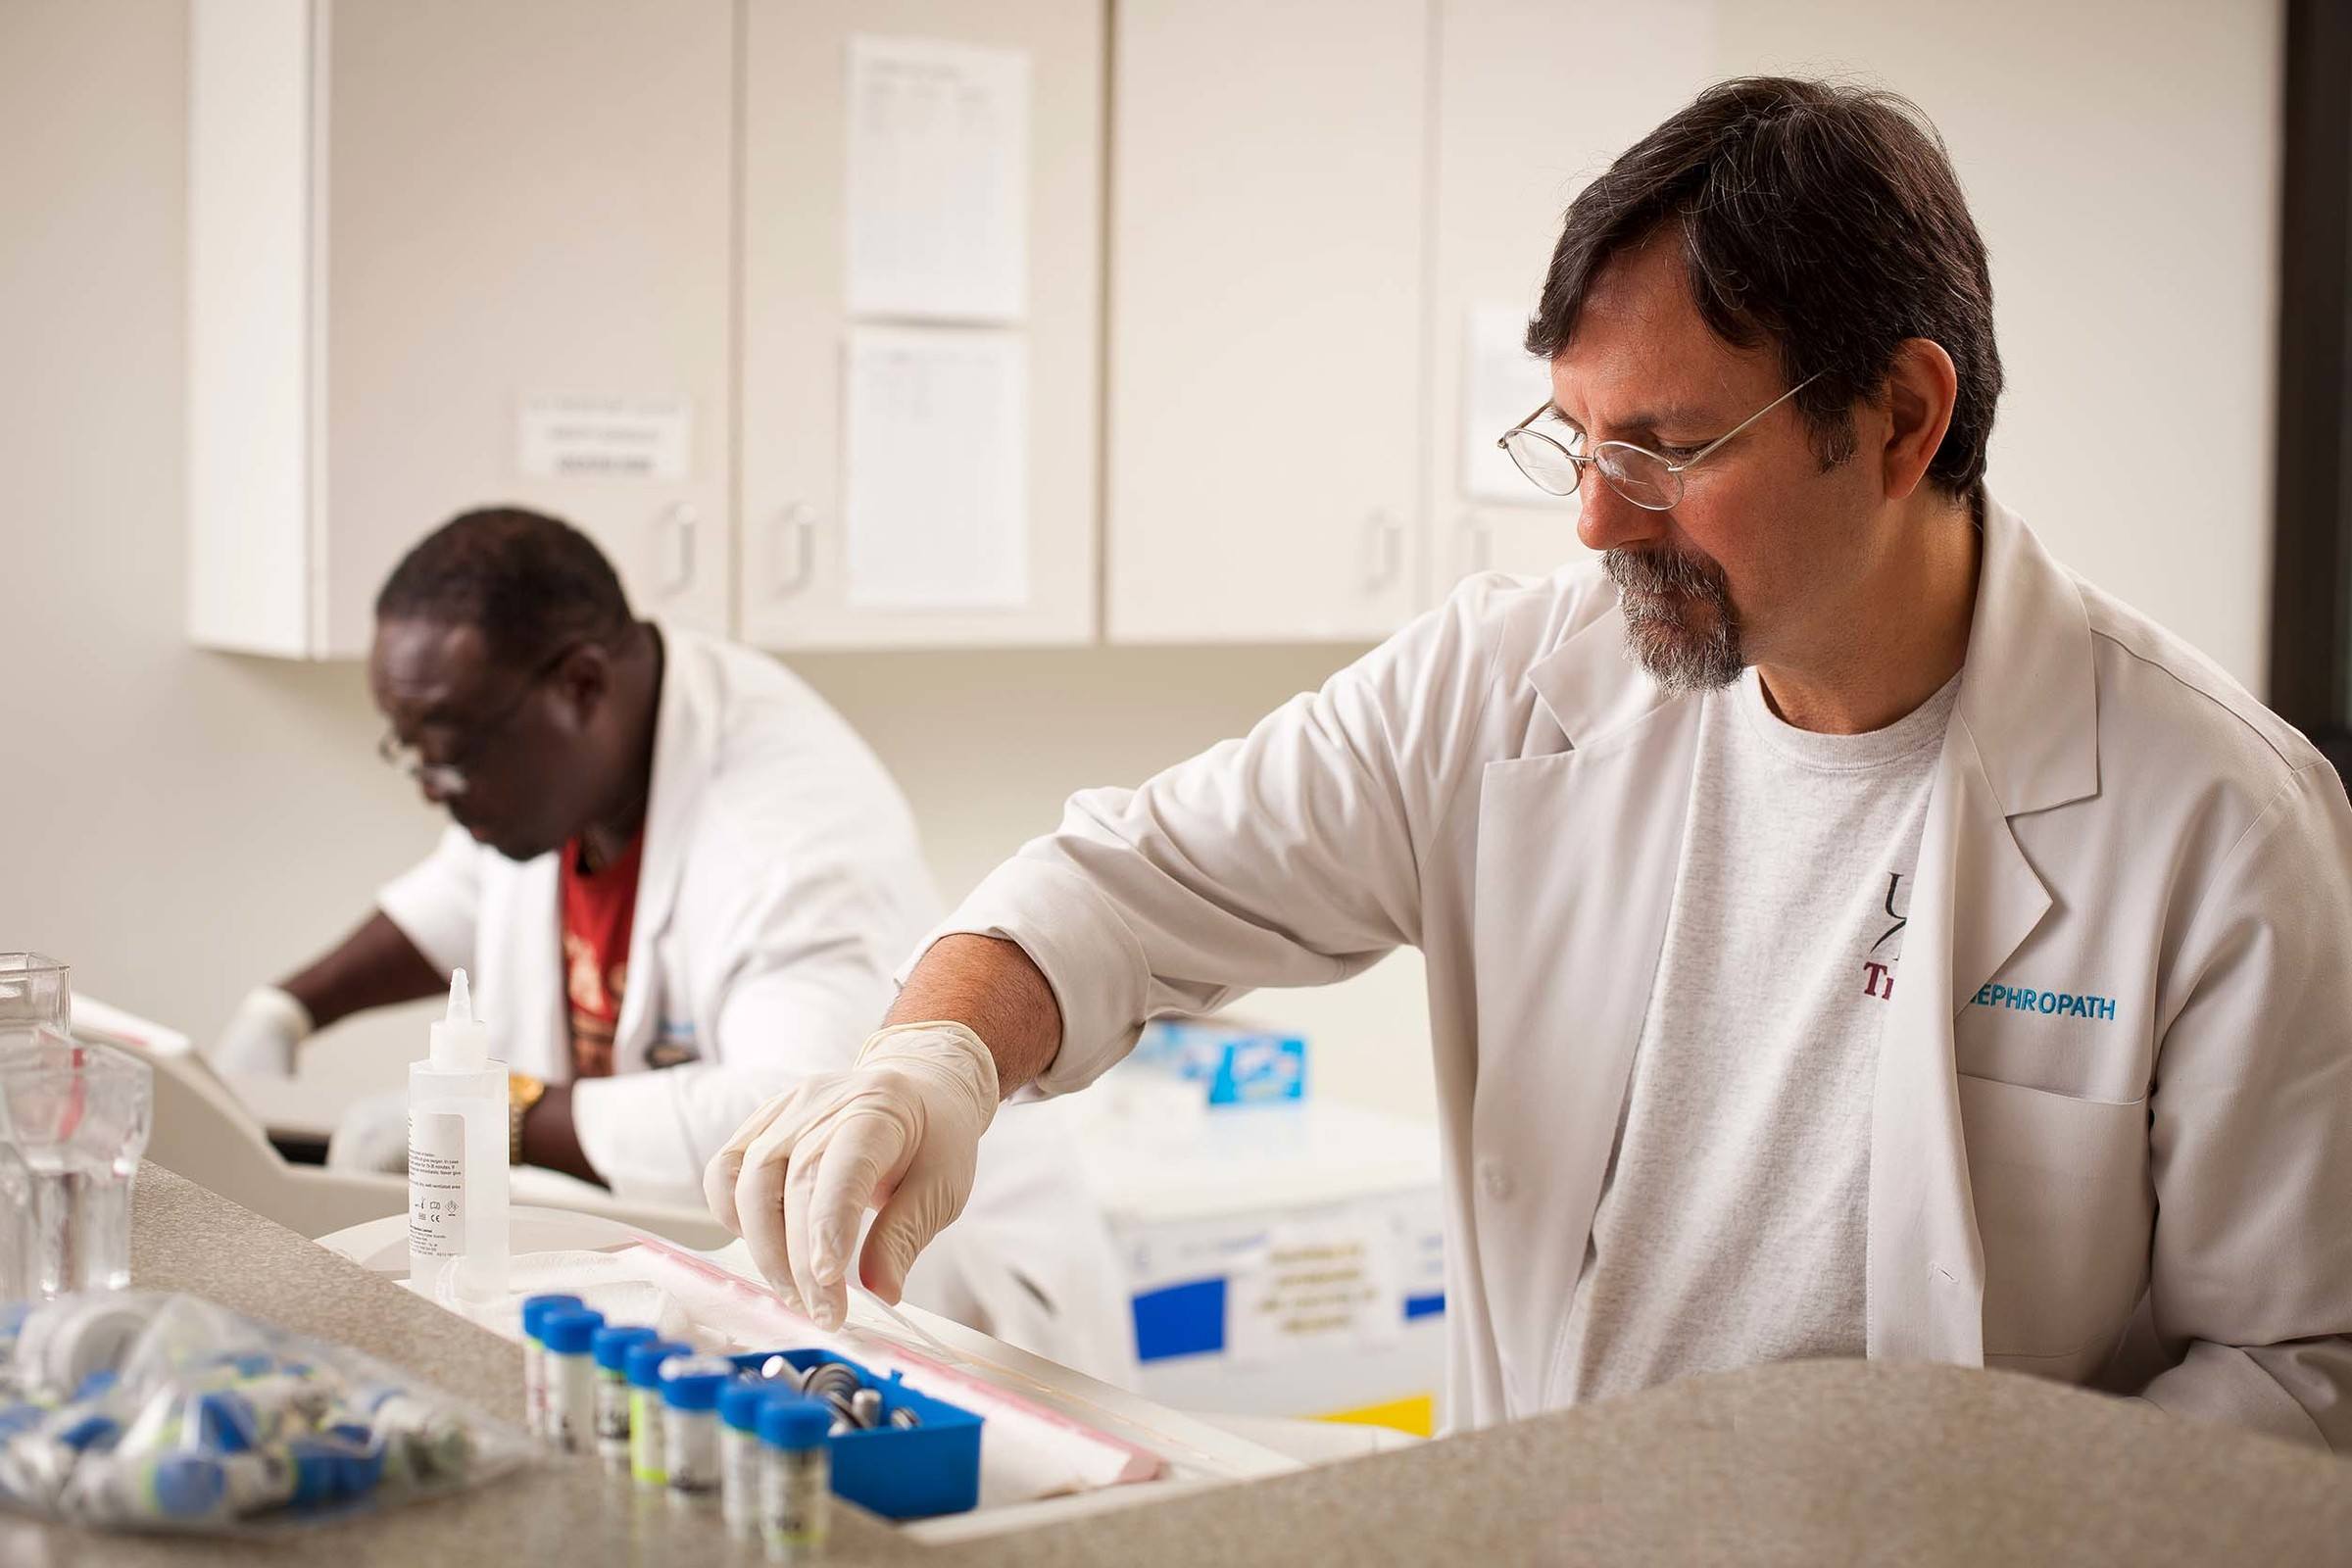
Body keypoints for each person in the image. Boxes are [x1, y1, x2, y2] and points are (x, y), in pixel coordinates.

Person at [706, 77, 2352, 1448]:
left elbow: (2298, 1367)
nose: (1593, 517)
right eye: (1574, 437)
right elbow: (1121, 888)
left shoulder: (2217, 822)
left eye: (1667, 447)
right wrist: (933, 1060)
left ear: (1906, 419)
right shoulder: (1510, 686)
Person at [211, 509, 1131, 1380]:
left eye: (448, 753)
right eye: (410, 753)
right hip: (727, 1274)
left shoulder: (782, 834)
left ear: (578, 685)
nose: (432, 788)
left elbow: (796, 1109)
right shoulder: (561, 765)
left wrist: (514, 1115)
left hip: (938, 1296)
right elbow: (464, 890)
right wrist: (289, 1008)